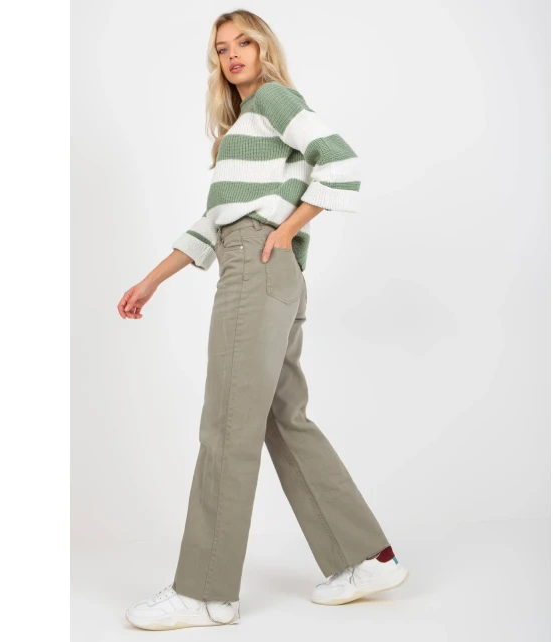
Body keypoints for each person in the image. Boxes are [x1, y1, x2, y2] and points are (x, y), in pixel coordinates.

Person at [117, 9, 409, 630]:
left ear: (263, 47)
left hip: (259, 266)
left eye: (243, 42)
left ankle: (204, 592)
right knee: (282, 416)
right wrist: (152, 279)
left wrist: (283, 231)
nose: (232, 55)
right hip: (267, 270)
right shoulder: (240, 128)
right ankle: (366, 559)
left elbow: (340, 161)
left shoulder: (274, 100)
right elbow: (213, 223)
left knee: (227, 423)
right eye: (222, 47)